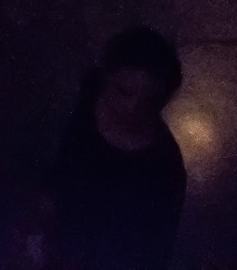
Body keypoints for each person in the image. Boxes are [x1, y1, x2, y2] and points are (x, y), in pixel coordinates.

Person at [30, 27, 187, 270]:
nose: (132, 108)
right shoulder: (82, 100)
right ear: (106, 77)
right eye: (123, 92)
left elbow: (152, 248)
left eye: (149, 100)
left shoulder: (164, 169)